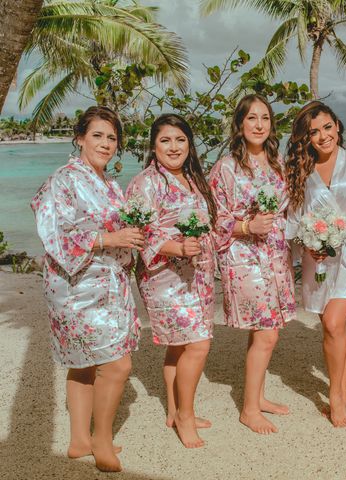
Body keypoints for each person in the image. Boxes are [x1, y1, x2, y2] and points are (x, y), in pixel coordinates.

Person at [31, 106, 142, 472]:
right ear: (79, 137)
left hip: (108, 284)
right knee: (117, 365)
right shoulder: (62, 180)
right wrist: (108, 238)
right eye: (97, 135)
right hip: (75, 286)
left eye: (112, 138)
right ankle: (101, 439)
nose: (106, 144)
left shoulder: (110, 183)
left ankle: (79, 441)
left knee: (83, 365)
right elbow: (53, 234)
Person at [126, 114, 216, 448]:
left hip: (198, 274)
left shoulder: (193, 178)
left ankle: (175, 409)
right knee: (198, 344)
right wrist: (176, 247)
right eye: (165, 140)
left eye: (180, 140)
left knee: (181, 345)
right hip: (164, 275)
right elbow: (140, 234)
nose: (174, 147)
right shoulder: (146, 182)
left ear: (189, 144)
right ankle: (185, 417)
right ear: (153, 146)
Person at [209, 94, 296, 435]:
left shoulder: (279, 166)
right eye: (251, 118)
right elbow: (213, 218)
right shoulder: (226, 168)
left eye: (265, 118)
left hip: (275, 256)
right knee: (267, 333)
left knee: (264, 332)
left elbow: (288, 212)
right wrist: (246, 227)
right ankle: (248, 409)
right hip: (244, 258)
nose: (259, 125)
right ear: (240, 124)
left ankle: (257, 396)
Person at [284, 101, 346, 427]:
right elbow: (293, 220)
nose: (322, 136)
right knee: (331, 328)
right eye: (313, 132)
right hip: (316, 261)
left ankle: (335, 397)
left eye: (327, 127)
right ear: (305, 138)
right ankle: (344, 389)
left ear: (337, 125)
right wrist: (307, 243)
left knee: (334, 323)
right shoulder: (301, 173)